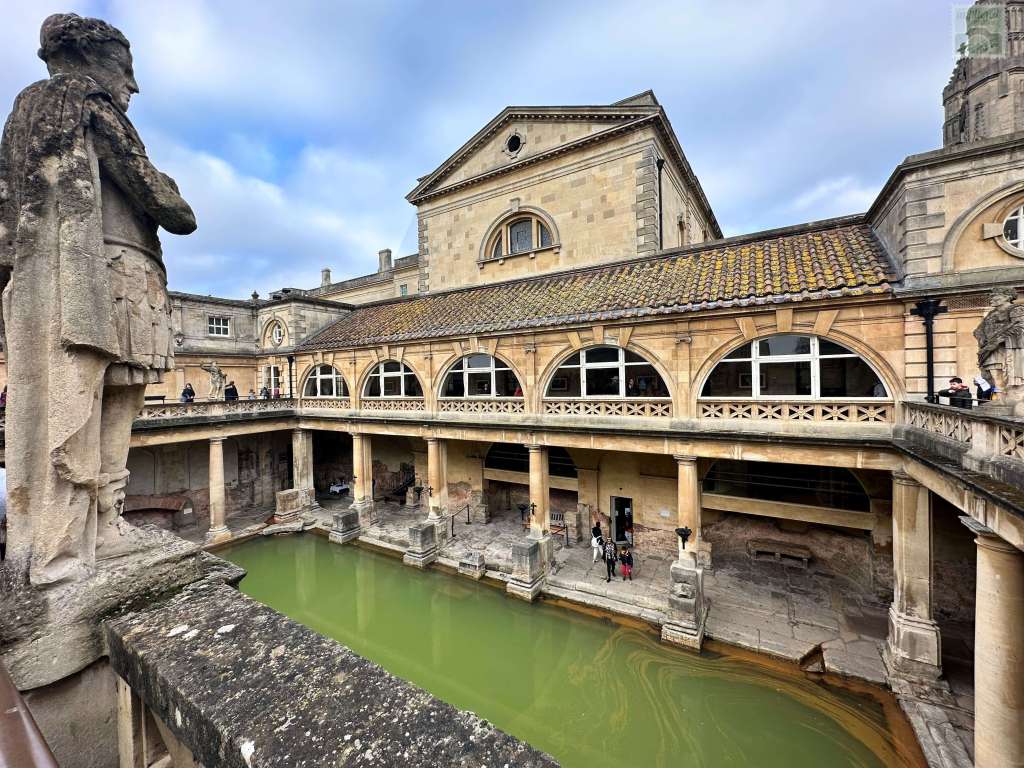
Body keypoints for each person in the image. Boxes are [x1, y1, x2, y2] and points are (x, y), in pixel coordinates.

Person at [0, 13, 197, 583]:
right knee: (113, 396)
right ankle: (97, 527)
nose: (132, 84)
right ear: (93, 59)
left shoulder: (24, 112)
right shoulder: (86, 102)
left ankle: (80, 530)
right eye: (125, 68)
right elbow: (174, 210)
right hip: (110, 276)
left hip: (65, 275)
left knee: (104, 394)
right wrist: (171, 188)